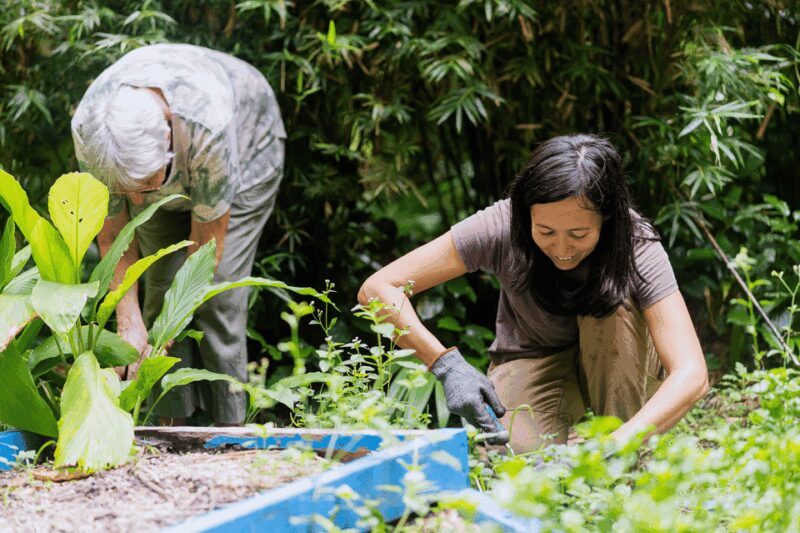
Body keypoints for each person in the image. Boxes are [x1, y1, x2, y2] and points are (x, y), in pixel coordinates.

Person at [358, 134, 709, 452]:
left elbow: (692, 372)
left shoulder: (634, 241)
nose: (562, 248)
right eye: (545, 231)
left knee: (612, 312)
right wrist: (445, 365)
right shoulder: (502, 223)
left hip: (616, 352)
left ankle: (624, 462)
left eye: (578, 234)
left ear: (607, 219)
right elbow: (377, 288)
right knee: (515, 458)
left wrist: (614, 446)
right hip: (533, 354)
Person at [71, 43, 286, 426]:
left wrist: (172, 321)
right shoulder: (93, 132)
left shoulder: (207, 127)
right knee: (156, 292)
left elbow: (206, 251)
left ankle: (230, 428)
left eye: (145, 185)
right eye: (127, 190)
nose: (138, 200)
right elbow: (113, 235)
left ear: (168, 139)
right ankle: (168, 424)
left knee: (218, 294)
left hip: (248, 150)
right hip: (169, 168)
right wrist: (128, 320)